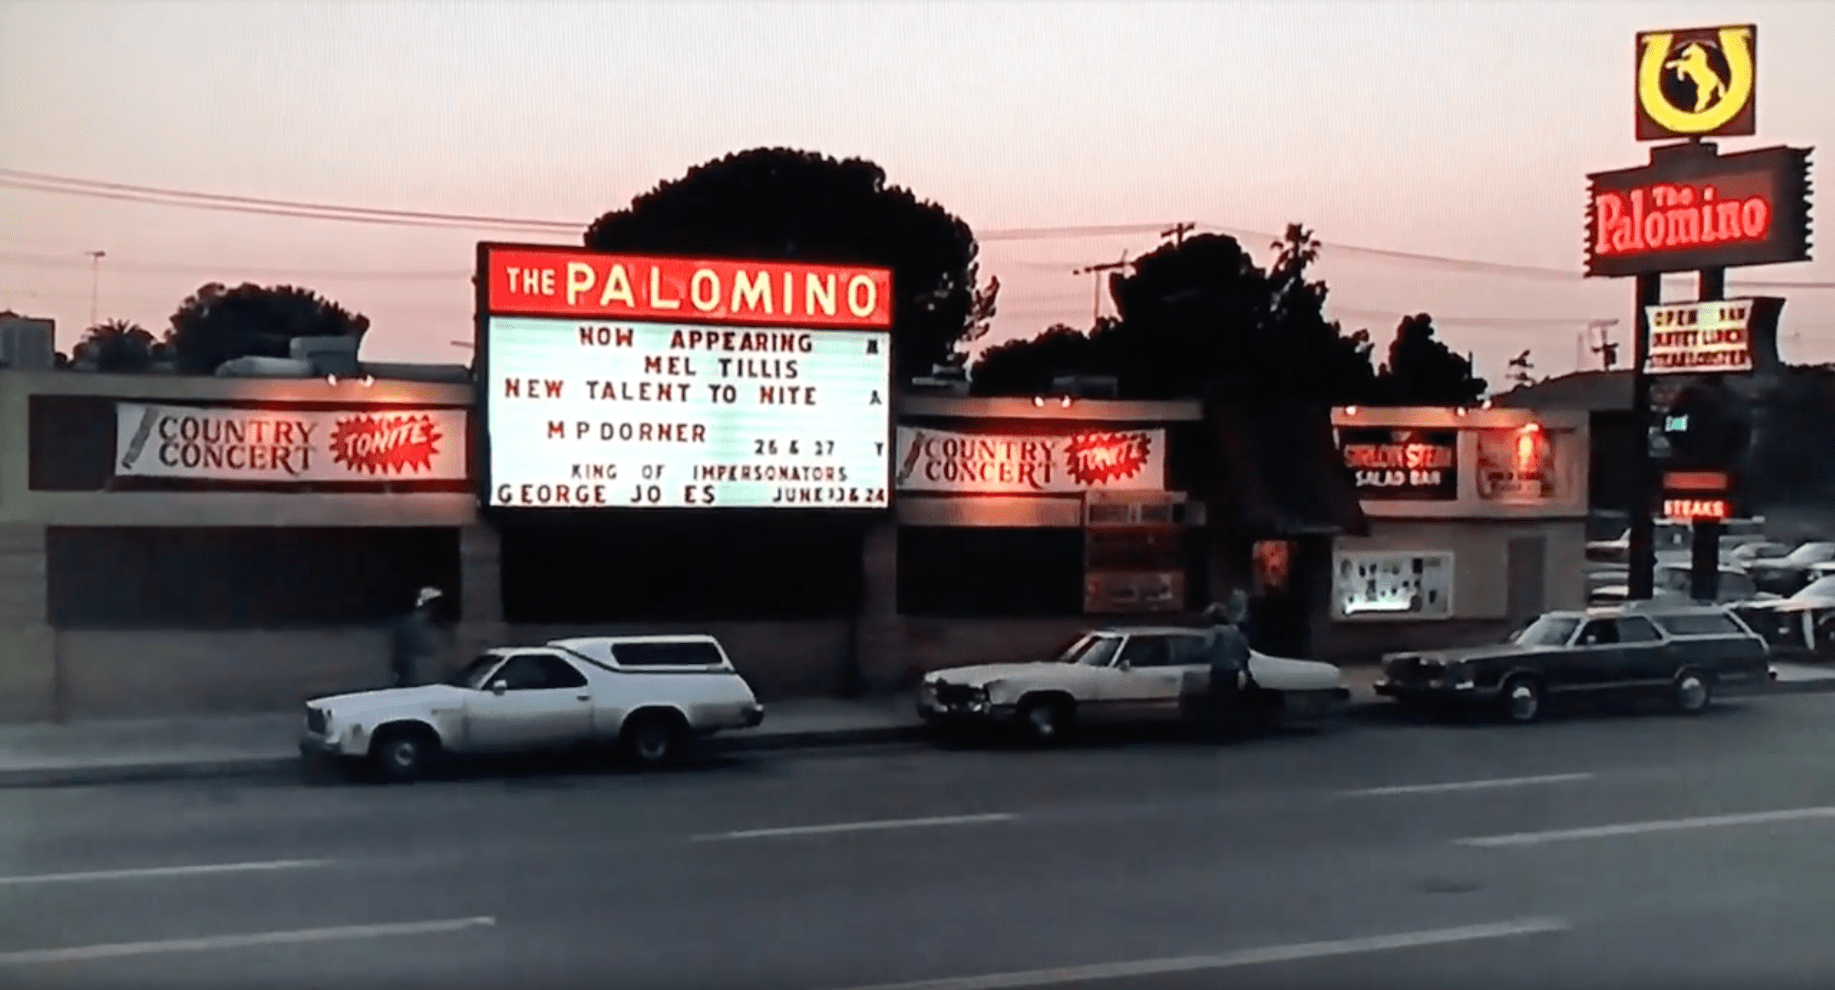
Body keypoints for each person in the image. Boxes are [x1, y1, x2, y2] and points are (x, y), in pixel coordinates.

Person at [1201, 590, 1254, 740]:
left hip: (1219, 670)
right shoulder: (1234, 631)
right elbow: (1244, 650)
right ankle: (1234, 732)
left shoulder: (1215, 631)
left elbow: (1207, 648)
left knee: (1218, 702)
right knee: (1232, 701)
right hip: (1234, 671)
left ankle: (1220, 733)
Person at [391, 586, 443, 688]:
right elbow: (423, 646)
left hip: (421, 674)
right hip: (415, 674)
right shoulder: (416, 622)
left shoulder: (427, 622)